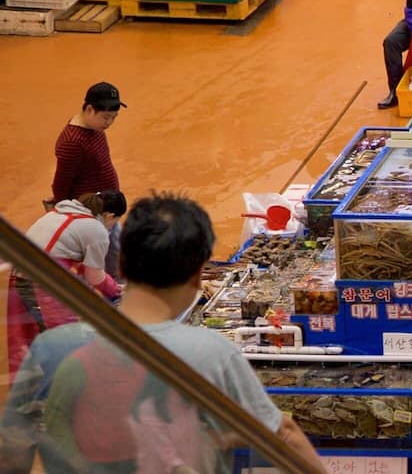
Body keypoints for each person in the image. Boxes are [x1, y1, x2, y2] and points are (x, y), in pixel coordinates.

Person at [1, 193, 323, 474]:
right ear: (198, 276)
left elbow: (12, 452)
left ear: (123, 267)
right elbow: (284, 435)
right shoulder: (212, 352)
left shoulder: (50, 346)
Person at [7, 191, 127, 375]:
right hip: (41, 283)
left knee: (47, 336)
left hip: (23, 278)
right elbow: (95, 277)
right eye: (115, 220)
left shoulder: (60, 212)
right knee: (64, 342)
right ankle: (61, 387)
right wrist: (116, 291)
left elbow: (79, 267)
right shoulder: (97, 230)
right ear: (109, 215)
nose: (113, 225)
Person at [51, 83, 124, 205]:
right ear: (89, 109)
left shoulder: (95, 127)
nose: (110, 122)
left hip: (105, 208)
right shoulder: (73, 143)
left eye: (114, 117)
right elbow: (61, 184)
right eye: (106, 117)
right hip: (88, 211)